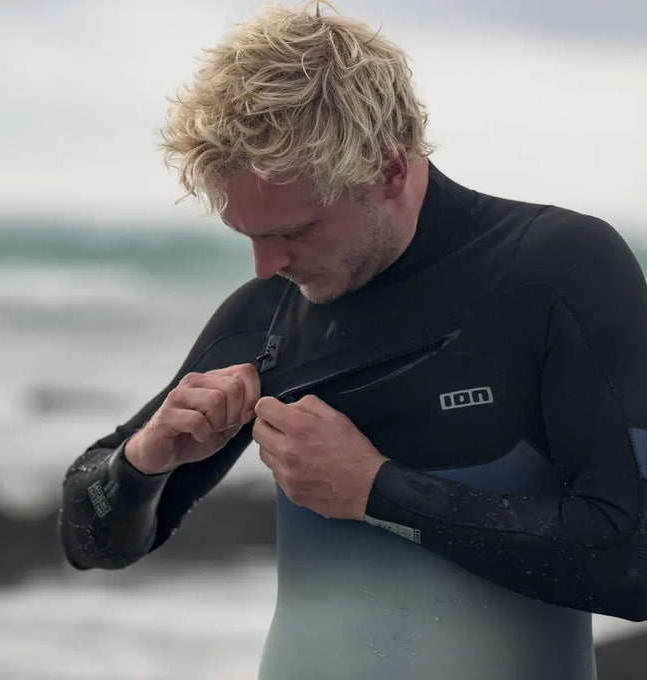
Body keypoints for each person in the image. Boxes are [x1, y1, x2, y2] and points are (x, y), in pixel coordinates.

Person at [59, 3, 647, 679]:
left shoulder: (553, 273)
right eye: (247, 235)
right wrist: (144, 460)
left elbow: (633, 560)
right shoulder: (270, 318)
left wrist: (375, 491)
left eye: (294, 231)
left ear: (389, 169)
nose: (266, 266)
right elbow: (89, 538)